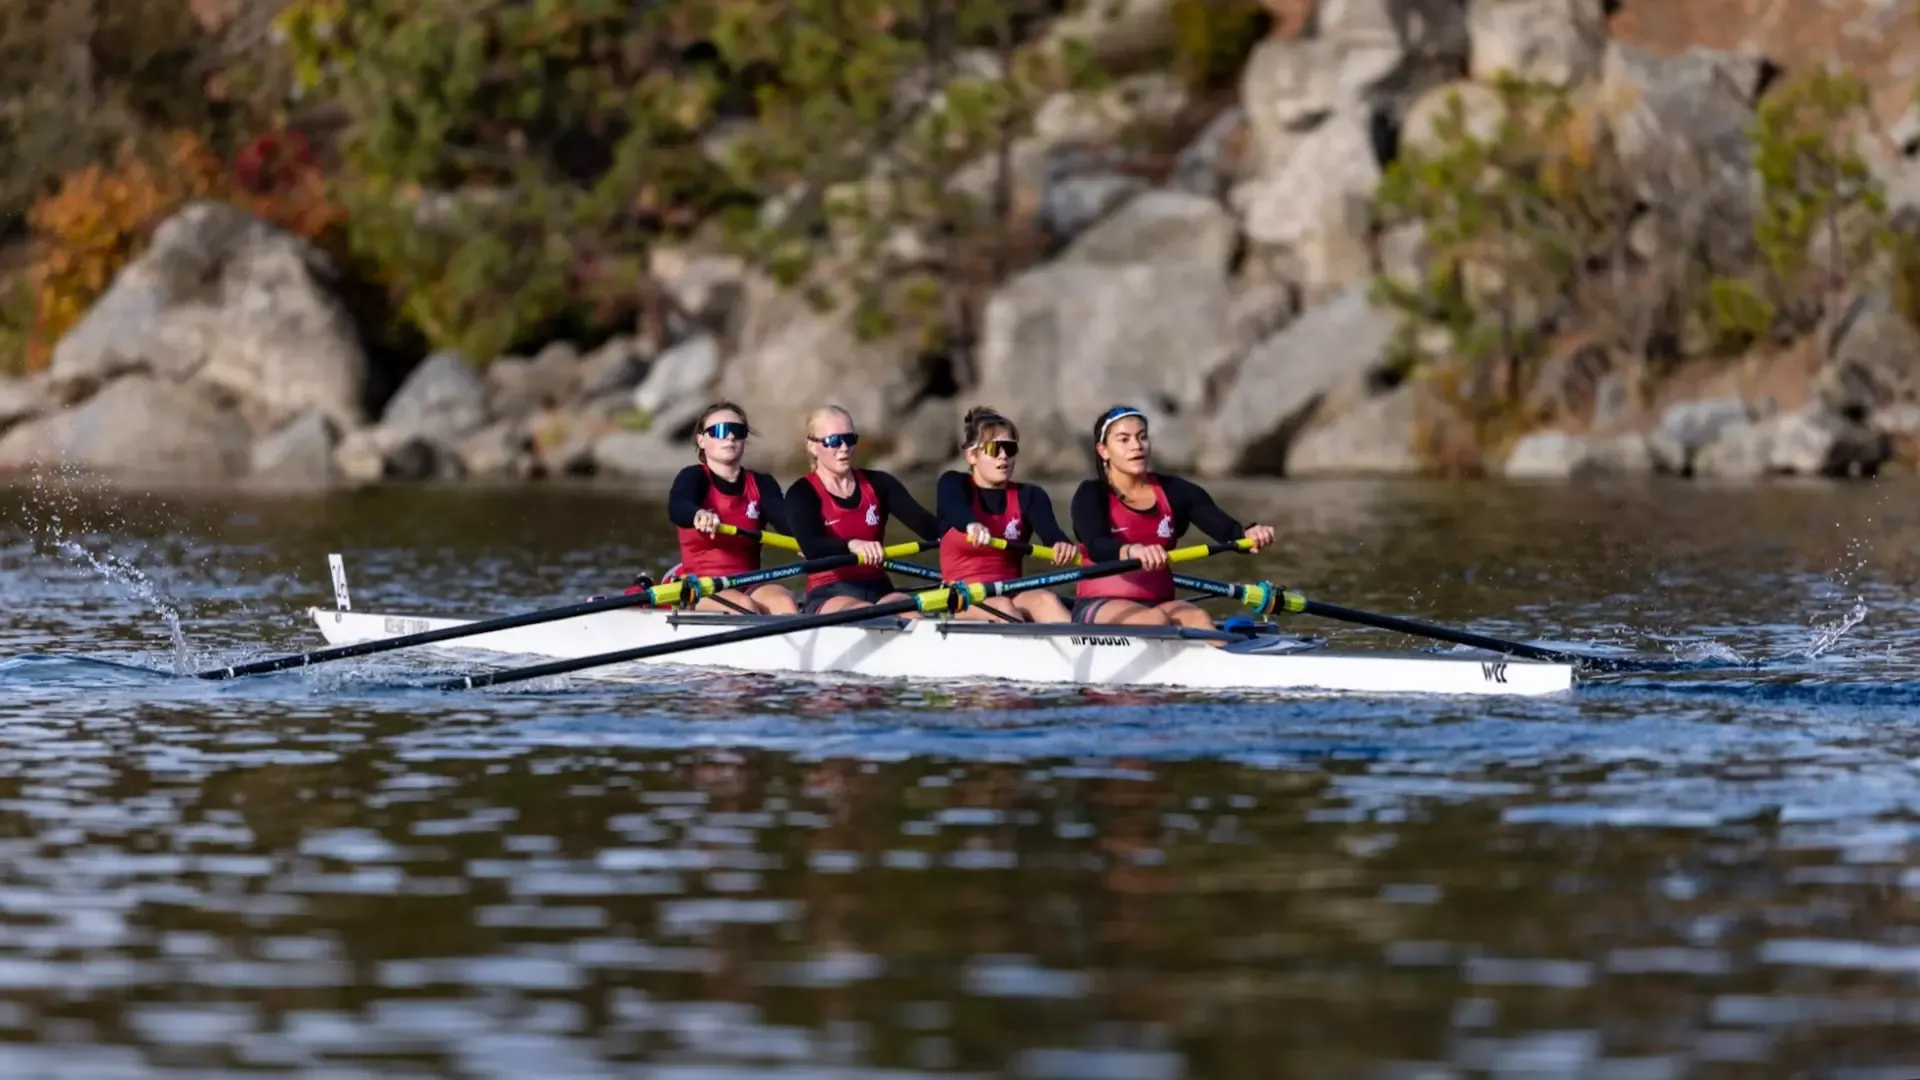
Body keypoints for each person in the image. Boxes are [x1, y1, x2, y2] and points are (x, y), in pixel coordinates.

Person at [1070, 404, 1275, 629]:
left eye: (1142, 437)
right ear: (1103, 450)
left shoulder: (1176, 491)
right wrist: (1133, 551)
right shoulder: (1091, 494)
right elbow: (1096, 545)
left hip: (1160, 604)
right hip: (1099, 604)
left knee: (1199, 619)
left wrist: (1250, 535)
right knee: (1154, 621)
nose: (1136, 446)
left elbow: (1229, 532)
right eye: (1124, 440)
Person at [784, 404, 954, 616]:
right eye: (833, 441)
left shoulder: (880, 484)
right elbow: (811, 546)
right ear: (811, 446)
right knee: (867, 614)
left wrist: (969, 529)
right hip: (829, 591)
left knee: (912, 614)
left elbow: (929, 526)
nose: (844, 448)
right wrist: (852, 545)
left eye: (850, 439)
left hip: (879, 588)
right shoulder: (801, 493)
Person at [935, 406, 1079, 622]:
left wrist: (1061, 544)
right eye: (994, 449)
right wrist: (970, 524)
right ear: (971, 455)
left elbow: (1051, 533)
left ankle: (1078, 643)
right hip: (960, 598)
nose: (1003, 456)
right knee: (1002, 606)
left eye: (1010, 449)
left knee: (1046, 600)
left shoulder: (1029, 495)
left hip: (1012, 593)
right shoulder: (953, 484)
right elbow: (953, 507)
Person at [665, 401, 799, 615]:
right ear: (701, 440)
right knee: (745, 607)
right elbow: (678, 507)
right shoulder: (693, 477)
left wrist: (809, 539)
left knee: (786, 604)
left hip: (749, 582)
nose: (729, 437)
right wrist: (698, 514)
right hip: (701, 586)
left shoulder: (762, 483)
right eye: (719, 431)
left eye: (737, 431)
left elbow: (787, 522)